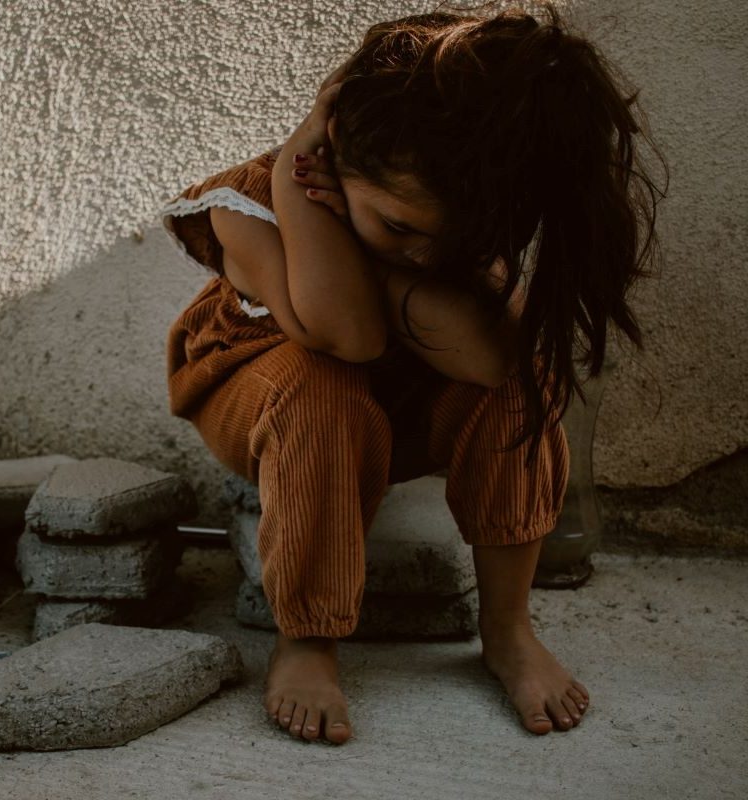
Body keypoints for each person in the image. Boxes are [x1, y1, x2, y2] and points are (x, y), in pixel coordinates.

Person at [161, 2, 664, 744]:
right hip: (266, 400)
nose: (428, 256)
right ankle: (307, 638)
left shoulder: (445, 210)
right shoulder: (249, 206)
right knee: (321, 385)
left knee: (518, 384)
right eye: (399, 229)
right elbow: (349, 337)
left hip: (392, 417)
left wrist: (389, 257)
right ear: (328, 155)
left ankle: (507, 630)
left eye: (450, 243)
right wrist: (306, 183)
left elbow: (491, 359)